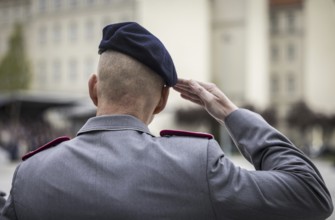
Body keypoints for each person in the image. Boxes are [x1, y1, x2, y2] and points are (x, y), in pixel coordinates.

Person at [0, 22, 333, 220]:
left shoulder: (30, 176)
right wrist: (232, 115)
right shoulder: (195, 167)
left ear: (93, 89)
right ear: (161, 100)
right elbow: (311, 194)